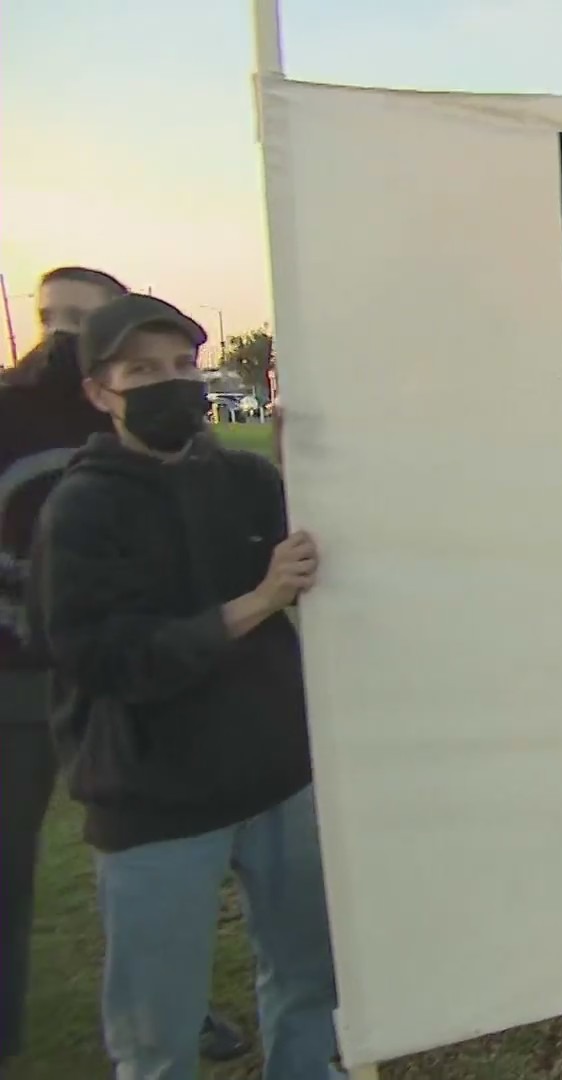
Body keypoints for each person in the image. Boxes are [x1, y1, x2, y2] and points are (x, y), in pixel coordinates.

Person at [28, 294, 339, 1079]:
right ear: (101, 392)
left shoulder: (241, 480)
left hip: (276, 778)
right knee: (156, 1028)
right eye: (142, 371)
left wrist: (318, 469)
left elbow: (322, 563)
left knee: (311, 983)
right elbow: (103, 658)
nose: (171, 384)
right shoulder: (80, 509)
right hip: (155, 800)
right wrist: (255, 604)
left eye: (180, 366)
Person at [0, 269, 251, 1069]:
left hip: (155, 687)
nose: (59, 330)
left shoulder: (188, 449)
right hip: (17, 675)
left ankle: (181, 1004)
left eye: (81, 317)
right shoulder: (15, 418)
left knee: (147, 859)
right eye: (49, 317)